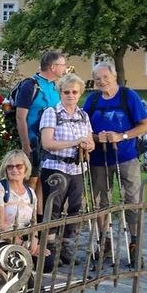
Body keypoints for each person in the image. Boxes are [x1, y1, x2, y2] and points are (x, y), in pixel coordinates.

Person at [82, 62, 147, 257]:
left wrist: (122, 136)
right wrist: (97, 138)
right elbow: (83, 128)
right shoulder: (92, 100)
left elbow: (145, 125)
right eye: (97, 79)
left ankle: (134, 243)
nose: (102, 81)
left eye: (105, 77)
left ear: (114, 76)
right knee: (100, 202)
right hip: (98, 159)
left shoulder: (128, 96)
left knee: (132, 200)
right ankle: (104, 242)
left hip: (126, 157)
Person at [39, 73, 94, 266]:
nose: (71, 95)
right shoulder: (51, 113)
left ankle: (66, 248)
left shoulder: (83, 115)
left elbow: (91, 142)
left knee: (74, 209)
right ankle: (49, 250)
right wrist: (75, 142)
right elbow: (47, 143)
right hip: (56, 167)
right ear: (60, 93)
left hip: (77, 168)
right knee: (53, 209)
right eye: (66, 92)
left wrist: (87, 145)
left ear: (80, 93)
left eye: (74, 92)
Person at [14, 50, 65, 218]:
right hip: (33, 142)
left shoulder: (56, 86)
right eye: (63, 65)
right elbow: (20, 117)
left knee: (43, 182)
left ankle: (40, 220)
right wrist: (26, 145)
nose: (65, 68)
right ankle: (26, 220)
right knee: (31, 181)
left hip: (51, 143)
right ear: (53, 67)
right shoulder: (30, 85)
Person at [0, 150, 47, 276]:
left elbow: (33, 222)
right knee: (22, 273)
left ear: (26, 168)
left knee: (47, 262)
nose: (14, 170)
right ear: (5, 169)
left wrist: (34, 243)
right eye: (10, 167)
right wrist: (23, 245)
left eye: (19, 166)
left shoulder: (30, 192)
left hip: (23, 239)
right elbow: (0, 227)